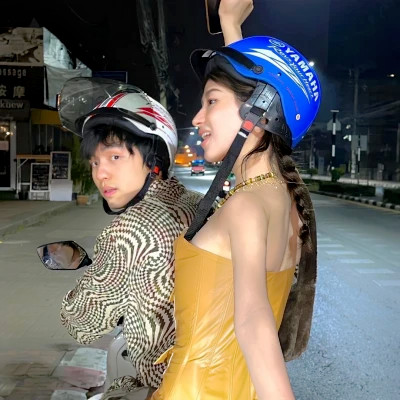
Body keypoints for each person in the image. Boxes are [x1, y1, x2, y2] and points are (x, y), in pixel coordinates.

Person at [151, 9, 320, 400]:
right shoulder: (285, 202)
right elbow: (255, 96)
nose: (198, 118)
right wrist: (230, 24)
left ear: (260, 112)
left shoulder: (246, 207)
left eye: (211, 101)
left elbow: (253, 324)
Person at [58, 82, 202, 398]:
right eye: (95, 162)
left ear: (154, 159)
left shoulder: (132, 230)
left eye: (115, 157)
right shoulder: (196, 203)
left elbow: (83, 324)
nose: (101, 174)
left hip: (166, 388)